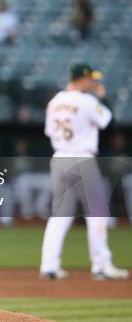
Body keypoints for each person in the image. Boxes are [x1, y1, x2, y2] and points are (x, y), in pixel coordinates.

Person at [40, 63, 128, 280]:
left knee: (60, 214)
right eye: (90, 79)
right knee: (97, 213)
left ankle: (49, 265)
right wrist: (102, 98)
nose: (93, 82)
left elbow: (49, 131)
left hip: (59, 156)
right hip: (81, 157)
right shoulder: (87, 101)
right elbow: (108, 121)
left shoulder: (55, 102)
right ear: (82, 79)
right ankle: (101, 265)